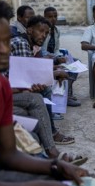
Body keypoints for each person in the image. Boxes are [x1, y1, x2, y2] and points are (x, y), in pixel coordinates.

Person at [0, 0, 87, 186]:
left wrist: (55, 166)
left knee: (67, 182)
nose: (4, 49)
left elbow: (9, 155)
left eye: (5, 41)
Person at [11, 15, 75, 146]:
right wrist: (54, 73)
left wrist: (54, 72)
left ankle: (49, 131)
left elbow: (35, 68)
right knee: (42, 93)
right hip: (8, 87)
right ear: (29, 30)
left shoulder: (32, 46)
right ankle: (51, 133)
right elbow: (27, 77)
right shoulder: (21, 43)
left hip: (11, 84)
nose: (44, 35)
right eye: (40, 31)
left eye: (46, 33)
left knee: (45, 89)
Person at [42, 6, 81, 107]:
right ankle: (65, 97)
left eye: (55, 16)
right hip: (44, 59)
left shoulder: (56, 31)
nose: (53, 19)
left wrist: (60, 56)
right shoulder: (43, 30)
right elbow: (41, 51)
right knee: (64, 66)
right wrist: (56, 58)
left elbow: (56, 49)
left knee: (75, 63)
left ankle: (67, 92)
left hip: (53, 57)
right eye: (50, 17)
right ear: (44, 17)